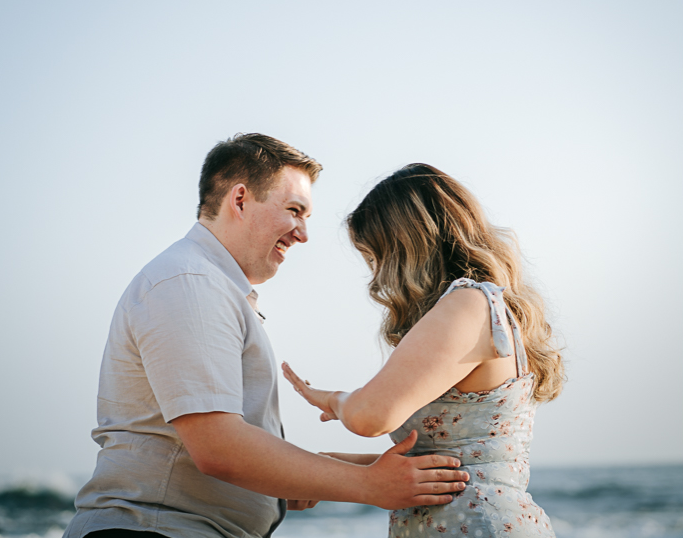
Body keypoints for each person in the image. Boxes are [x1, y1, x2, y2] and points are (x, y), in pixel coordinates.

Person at [63, 137, 468, 538]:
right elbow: (218, 447)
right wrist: (369, 486)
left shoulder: (212, 286)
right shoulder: (190, 283)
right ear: (239, 200)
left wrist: (298, 475)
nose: (303, 234)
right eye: (295, 210)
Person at [282, 163, 564, 538]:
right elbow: (448, 467)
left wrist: (334, 400)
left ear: (406, 248)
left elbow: (369, 416)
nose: (376, 275)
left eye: (375, 257)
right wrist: (329, 469)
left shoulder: (468, 303)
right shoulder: (482, 306)